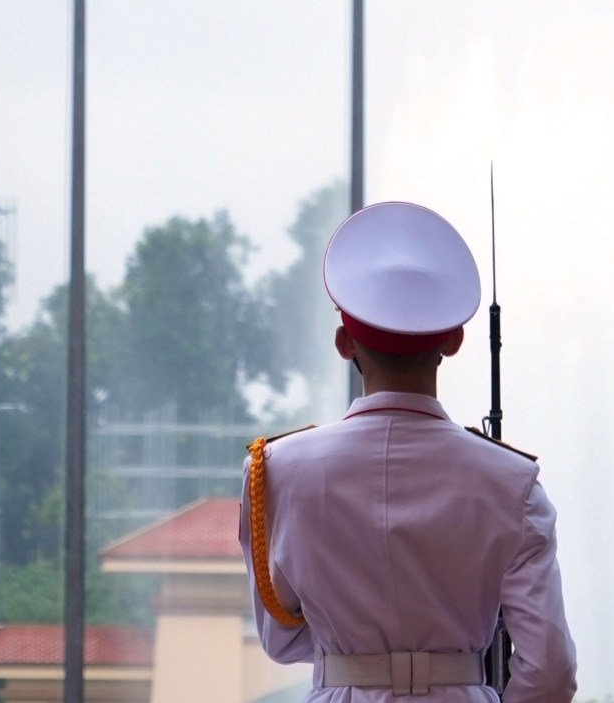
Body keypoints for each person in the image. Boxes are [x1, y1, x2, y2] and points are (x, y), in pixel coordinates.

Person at [241, 200, 577, 701]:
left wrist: (355, 655)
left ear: (344, 343)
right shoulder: (512, 481)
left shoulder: (275, 471)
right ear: (456, 340)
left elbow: (281, 638)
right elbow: (550, 671)